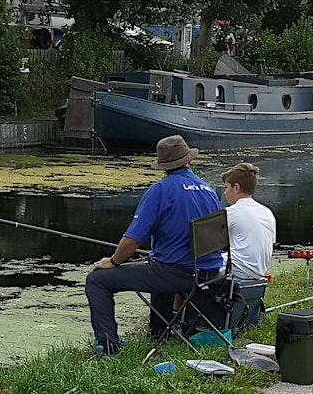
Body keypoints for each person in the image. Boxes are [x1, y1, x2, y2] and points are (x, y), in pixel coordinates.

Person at [84, 135, 222, 356]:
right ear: (189, 160)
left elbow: (133, 239)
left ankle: (108, 345)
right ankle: (159, 333)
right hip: (210, 274)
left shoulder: (160, 190)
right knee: (159, 264)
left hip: (180, 274)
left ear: (164, 166)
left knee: (97, 280)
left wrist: (113, 261)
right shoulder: (208, 189)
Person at [220, 162, 275, 329]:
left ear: (236, 187)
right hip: (259, 273)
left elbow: (208, 244)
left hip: (238, 272)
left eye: (227, 187)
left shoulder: (232, 212)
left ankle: (177, 318)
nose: (225, 192)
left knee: (188, 268)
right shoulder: (267, 212)